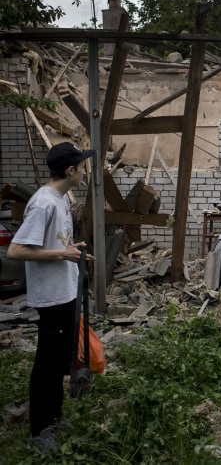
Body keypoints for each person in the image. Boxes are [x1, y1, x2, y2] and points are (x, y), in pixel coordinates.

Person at [8, 142, 96, 454]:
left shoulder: (60, 199)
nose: (84, 171)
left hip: (65, 292)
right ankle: (38, 432)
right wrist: (63, 252)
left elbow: (55, 244)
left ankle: (54, 419)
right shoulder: (43, 203)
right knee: (46, 364)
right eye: (81, 166)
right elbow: (16, 250)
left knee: (59, 361)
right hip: (51, 297)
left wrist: (74, 251)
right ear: (70, 170)